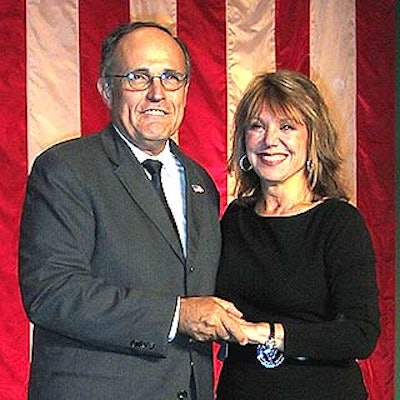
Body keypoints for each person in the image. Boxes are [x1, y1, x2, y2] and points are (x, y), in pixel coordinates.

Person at [18, 21, 248, 400]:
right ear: (107, 89)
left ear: (186, 90)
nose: (157, 93)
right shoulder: (66, 169)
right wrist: (178, 316)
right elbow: (53, 292)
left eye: (171, 77)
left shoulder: (201, 182)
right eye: (138, 77)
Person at [215, 70, 380, 399]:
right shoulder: (235, 218)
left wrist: (266, 333)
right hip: (241, 390)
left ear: (312, 138)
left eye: (287, 126)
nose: (270, 140)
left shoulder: (338, 222)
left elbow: (361, 333)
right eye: (257, 126)